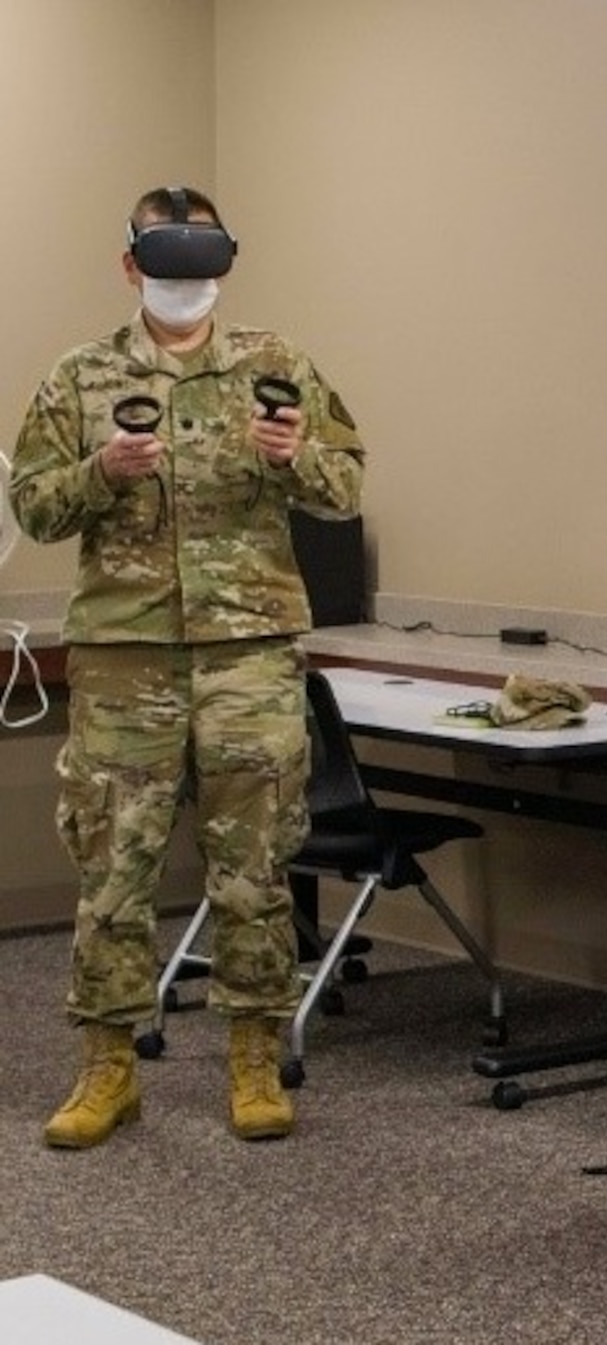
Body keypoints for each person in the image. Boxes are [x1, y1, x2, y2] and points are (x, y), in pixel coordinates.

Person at [10, 186, 366, 1147]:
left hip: (248, 649)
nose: (183, 287)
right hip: (127, 655)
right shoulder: (81, 375)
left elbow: (345, 488)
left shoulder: (273, 364)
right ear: (131, 266)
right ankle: (108, 1067)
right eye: (165, 268)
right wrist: (102, 474)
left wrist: (294, 458)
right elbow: (32, 508)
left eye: (201, 268)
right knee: (113, 867)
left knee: (254, 863)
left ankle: (255, 1056)